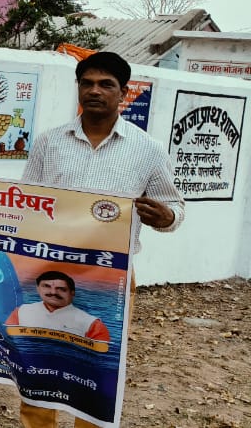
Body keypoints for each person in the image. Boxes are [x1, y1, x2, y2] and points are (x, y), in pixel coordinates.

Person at [18, 51, 184, 428]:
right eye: (87, 83)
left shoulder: (148, 150)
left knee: (96, 364)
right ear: (78, 88)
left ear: (123, 92)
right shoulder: (49, 142)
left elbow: (174, 206)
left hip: (111, 277)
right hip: (49, 269)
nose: (95, 91)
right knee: (38, 357)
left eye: (106, 84)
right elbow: (27, 200)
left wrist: (168, 217)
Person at [5, 271, 110, 341]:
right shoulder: (21, 312)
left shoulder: (92, 324)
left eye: (61, 289)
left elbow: (101, 358)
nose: (53, 292)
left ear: (72, 293)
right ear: (38, 288)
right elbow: (8, 341)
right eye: (46, 286)